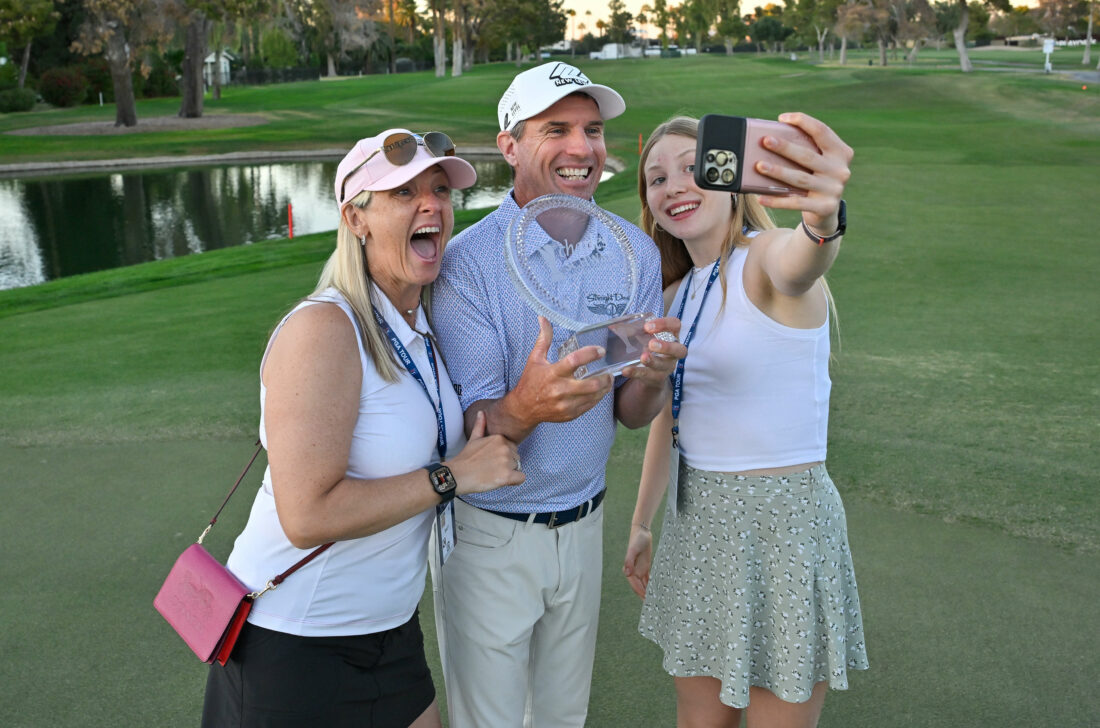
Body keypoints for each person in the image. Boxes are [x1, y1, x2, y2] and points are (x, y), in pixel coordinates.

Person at [201, 128, 525, 728]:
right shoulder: (325, 328)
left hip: (389, 634)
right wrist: (454, 476)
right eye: (405, 192)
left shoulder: (415, 327)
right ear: (357, 218)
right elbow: (308, 518)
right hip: (294, 645)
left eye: (440, 190)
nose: (433, 204)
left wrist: (537, 400)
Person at [429, 62, 689, 727]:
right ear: (510, 145)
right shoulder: (466, 264)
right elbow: (477, 434)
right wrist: (529, 406)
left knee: (562, 718)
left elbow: (630, 412)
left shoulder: (631, 253)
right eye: (557, 129)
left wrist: (653, 374)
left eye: (593, 130)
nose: (582, 148)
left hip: (584, 528)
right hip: (490, 536)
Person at [623, 115, 869, 727]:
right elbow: (669, 418)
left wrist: (821, 217)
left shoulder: (764, 261)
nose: (674, 185)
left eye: (692, 167)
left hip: (782, 525)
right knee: (697, 718)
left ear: (731, 178)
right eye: (656, 178)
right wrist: (641, 521)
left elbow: (804, 260)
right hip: (697, 522)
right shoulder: (677, 294)